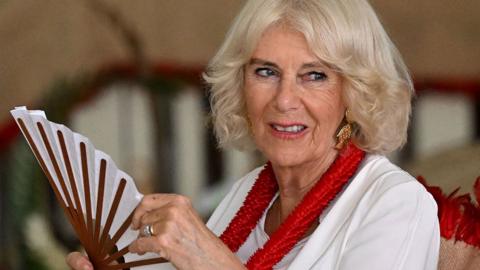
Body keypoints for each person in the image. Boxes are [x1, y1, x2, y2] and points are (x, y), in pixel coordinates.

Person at [67, 0, 440, 269]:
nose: (285, 99)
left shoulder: (397, 204)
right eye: (266, 72)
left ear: (354, 92)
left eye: (315, 75)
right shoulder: (248, 194)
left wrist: (209, 260)